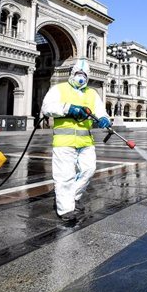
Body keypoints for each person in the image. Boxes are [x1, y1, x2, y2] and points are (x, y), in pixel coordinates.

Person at [40, 59, 111, 222]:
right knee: (65, 176)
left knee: (89, 170)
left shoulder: (92, 93)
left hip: (86, 142)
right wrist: (68, 109)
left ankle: (72, 197)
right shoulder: (59, 89)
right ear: (72, 74)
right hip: (63, 142)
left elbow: (101, 112)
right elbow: (46, 108)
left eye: (84, 75)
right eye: (78, 74)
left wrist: (104, 119)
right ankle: (66, 209)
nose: (81, 78)